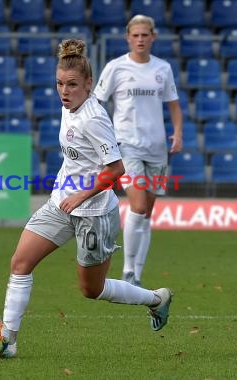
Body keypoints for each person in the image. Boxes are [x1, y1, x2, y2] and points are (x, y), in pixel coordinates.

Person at [0, 39, 172, 358]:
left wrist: (82, 193)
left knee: (91, 289)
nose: (64, 91)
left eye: (73, 85)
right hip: (61, 203)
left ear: (89, 84)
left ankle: (156, 299)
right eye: (60, 84)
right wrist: (68, 190)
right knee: (20, 263)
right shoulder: (69, 107)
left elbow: (116, 169)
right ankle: (7, 340)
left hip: (93, 212)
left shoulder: (94, 118)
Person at [94, 15, 183, 287]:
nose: (141, 39)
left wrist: (177, 133)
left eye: (145, 35)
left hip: (157, 149)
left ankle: (137, 274)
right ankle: (128, 270)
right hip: (127, 146)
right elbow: (96, 101)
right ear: (128, 38)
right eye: (136, 35)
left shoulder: (163, 69)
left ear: (153, 37)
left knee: (148, 212)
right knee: (139, 205)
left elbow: (174, 106)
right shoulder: (116, 68)